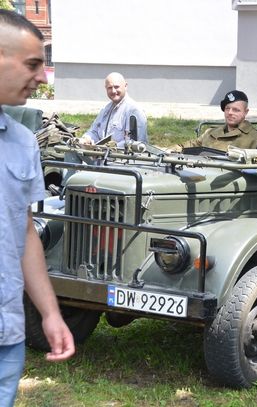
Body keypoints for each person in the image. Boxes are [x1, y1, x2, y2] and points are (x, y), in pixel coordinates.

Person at [0, 10, 75, 406]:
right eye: (32, 64)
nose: (43, 77)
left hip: (6, 334)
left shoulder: (24, 141)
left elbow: (24, 231)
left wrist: (49, 313)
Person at [182, 90, 257, 151]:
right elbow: (190, 145)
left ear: (246, 112)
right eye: (227, 108)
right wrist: (170, 150)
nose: (230, 113)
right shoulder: (210, 132)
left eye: (236, 110)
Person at [79, 72, 147, 147]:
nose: (113, 91)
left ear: (125, 86)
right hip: (103, 156)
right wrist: (86, 139)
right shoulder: (105, 110)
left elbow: (134, 142)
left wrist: (110, 148)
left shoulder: (134, 111)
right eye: (110, 88)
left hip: (121, 158)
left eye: (116, 87)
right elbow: (94, 131)